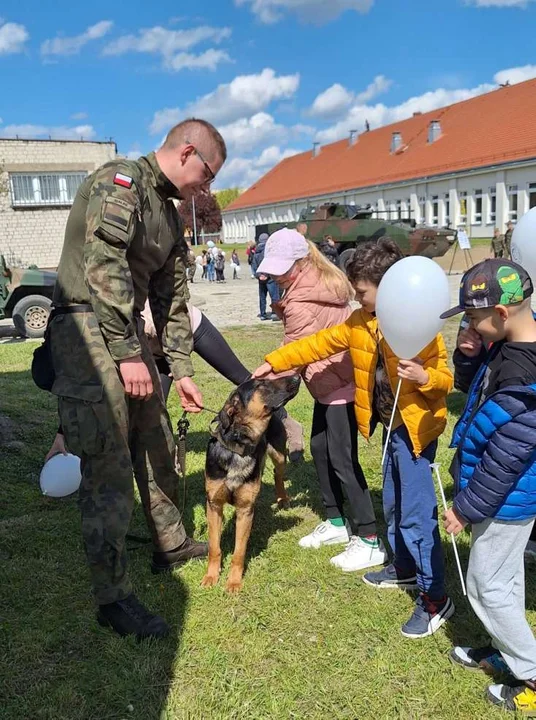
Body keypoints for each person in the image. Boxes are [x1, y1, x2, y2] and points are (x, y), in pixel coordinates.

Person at [49, 118, 226, 640]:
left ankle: (169, 542)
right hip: (86, 330)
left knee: (158, 441)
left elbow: (173, 302)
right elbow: (103, 266)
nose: (207, 186)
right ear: (188, 151)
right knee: (108, 461)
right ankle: (113, 598)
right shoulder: (119, 181)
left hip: (125, 336)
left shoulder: (170, 219)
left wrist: (183, 368)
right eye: (208, 173)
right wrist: (128, 353)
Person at [254, 238, 454, 639]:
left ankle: (435, 598)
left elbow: (446, 380)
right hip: (393, 430)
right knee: (395, 503)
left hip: (416, 433)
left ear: (388, 287)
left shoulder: (419, 325)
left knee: (416, 513)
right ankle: (404, 568)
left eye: (361, 290)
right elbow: (317, 344)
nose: (356, 296)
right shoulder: (360, 322)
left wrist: (426, 378)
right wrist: (274, 362)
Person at [255, 229, 385, 571]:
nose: (275, 275)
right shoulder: (315, 284)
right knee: (319, 449)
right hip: (329, 383)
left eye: (282, 268)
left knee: (343, 461)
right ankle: (337, 524)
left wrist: (254, 386)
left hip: (339, 387)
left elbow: (292, 355)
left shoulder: (301, 301)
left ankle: (369, 539)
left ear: (302, 263)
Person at [442, 259, 536, 714]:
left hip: (507, 498)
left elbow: (506, 459)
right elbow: (471, 389)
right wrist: (468, 353)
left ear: (500, 313)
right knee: (506, 578)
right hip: (502, 494)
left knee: (485, 586)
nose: (468, 324)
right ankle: (512, 650)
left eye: (473, 318)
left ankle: (532, 672)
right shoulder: (507, 345)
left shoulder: (525, 375)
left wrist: (466, 507)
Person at [48, 300, 306, 463]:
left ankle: (287, 423)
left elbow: (169, 332)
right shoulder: (96, 343)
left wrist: (178, 366)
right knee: (152, 406)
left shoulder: (122, 320)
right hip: (154, 350)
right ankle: (163, 459)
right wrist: (62, 436)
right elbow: (87, 389)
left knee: (243, 381)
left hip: (188, 330)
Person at [252, 233, 280, 321]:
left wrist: (259, 275)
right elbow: (272, 264)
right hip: (270, 277)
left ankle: (263, 314)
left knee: (262, 296)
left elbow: (254, 266)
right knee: (274, 296)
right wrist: (267, 275)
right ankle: (275, 313)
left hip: (261, 278)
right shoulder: (269, 251)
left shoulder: (256, 252)